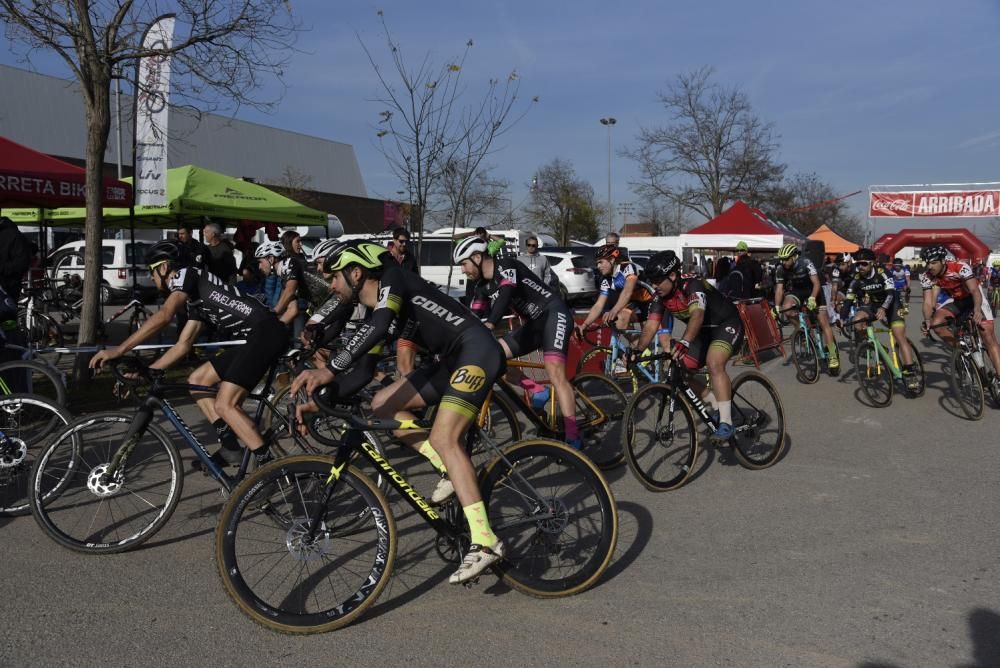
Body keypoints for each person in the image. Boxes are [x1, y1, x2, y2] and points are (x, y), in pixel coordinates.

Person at [290, 240, 506, 584]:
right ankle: (448, 468)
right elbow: (363, 373)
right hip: (453, 360)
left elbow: (375, 328)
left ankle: (485, 541)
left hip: (477, 351)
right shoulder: (381, 312)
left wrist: (328, 370)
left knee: (444, 436)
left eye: (335, 277)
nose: (332, 285)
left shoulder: (393, 279)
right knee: (382, 405)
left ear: (356, 273)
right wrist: (319, 403)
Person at [90, 240, 287, 467]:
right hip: (257, 336)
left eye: (151, 272)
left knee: (226, 404)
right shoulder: (196, 297)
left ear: (163, 268)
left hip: (265, 333)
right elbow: (183, 345)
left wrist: (120, 349)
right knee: (197, 380)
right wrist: (147, 371)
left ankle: (270, 470)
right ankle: (230, 446)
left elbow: (165, 316)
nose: (153, 279)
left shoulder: (186, 274)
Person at [453, 236, 581, 449]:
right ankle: (536, 389)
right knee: (494, 358)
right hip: (534, 324)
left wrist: (491, 324)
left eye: (464, 264)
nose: (463, 270)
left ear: (477, 257)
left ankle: (573, 435)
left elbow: (506, 294)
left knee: (555, 373)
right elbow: (472, 317)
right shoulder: (482, 286)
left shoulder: (506, 265)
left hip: (553, 313)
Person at [629, 250, 744, 442]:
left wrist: (684, 341)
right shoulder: (660, 298)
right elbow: (651, 325)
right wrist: (637, 350)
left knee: (714, 362)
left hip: (726, 324)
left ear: (673, 276)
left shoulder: (692, 285)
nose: (654, 286)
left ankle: (726, 422)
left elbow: (697, 315)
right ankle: (718, 404)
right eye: (652, 281)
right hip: (702, 334)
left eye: (658, 280)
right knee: (677, 369)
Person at [919, 245, 1000, 391]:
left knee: (988, 336)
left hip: (974, 299)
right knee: (937, 323)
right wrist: (927, 320)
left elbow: (975, 290)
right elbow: (928, 302)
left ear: (943, 261)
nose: (929, 266)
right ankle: (961, 350)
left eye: (933, 262)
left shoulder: (959, 267)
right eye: (927, 263)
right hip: (957, 301)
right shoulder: (927, 276)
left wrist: (977, 310)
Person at [840, 249, 920, 390]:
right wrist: (842, 318)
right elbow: (848, 301)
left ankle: (910, 372)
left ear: (872, 263)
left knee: (899, 336)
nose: (860, 267)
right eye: (857, 265)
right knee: (857, 321)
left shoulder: (883, 273)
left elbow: (890, 293)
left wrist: (884, 308)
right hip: (874, 305)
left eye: (864, 264)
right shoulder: (857, 279)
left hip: (893, 304)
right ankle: (875, 346)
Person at [773, 243, 840, 375]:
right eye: (781, 259)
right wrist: (776, 306)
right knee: (786, 308)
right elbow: (780, 289)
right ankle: (801, 331)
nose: (783, 262)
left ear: (794, 257)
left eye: (786, 259)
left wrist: (813, 298)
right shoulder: (781, 269)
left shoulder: (806, 262)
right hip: (797, 292)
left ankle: (832, 354)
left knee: (823, 321)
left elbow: (816, 283)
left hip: (814, 290)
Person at [577, 243, 654, 335]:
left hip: (650, 303)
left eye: (601, 262)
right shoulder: (606, 279)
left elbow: (627, 291)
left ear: (612, 260)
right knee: (615, 319)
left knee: (620, 316)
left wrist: (614, 310)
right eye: (597, 263)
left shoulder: (627, 267)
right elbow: (599, 305)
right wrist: (585, 325)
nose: (598, 266)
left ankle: (639, 348)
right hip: (636, 305)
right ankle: (638, 348)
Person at [256, 240, 305, 339]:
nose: (259, 267)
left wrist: (273, 314)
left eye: (260, 262)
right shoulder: (284, 278)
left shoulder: (290, 263)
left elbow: (290, 291)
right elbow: (292, 310)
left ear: (270, 258)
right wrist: (273, 328)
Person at [0, 216, 31, 302]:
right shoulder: (14, 233)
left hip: (7, 287)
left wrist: (2, 268)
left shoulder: (13, 234)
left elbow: (22, 262)